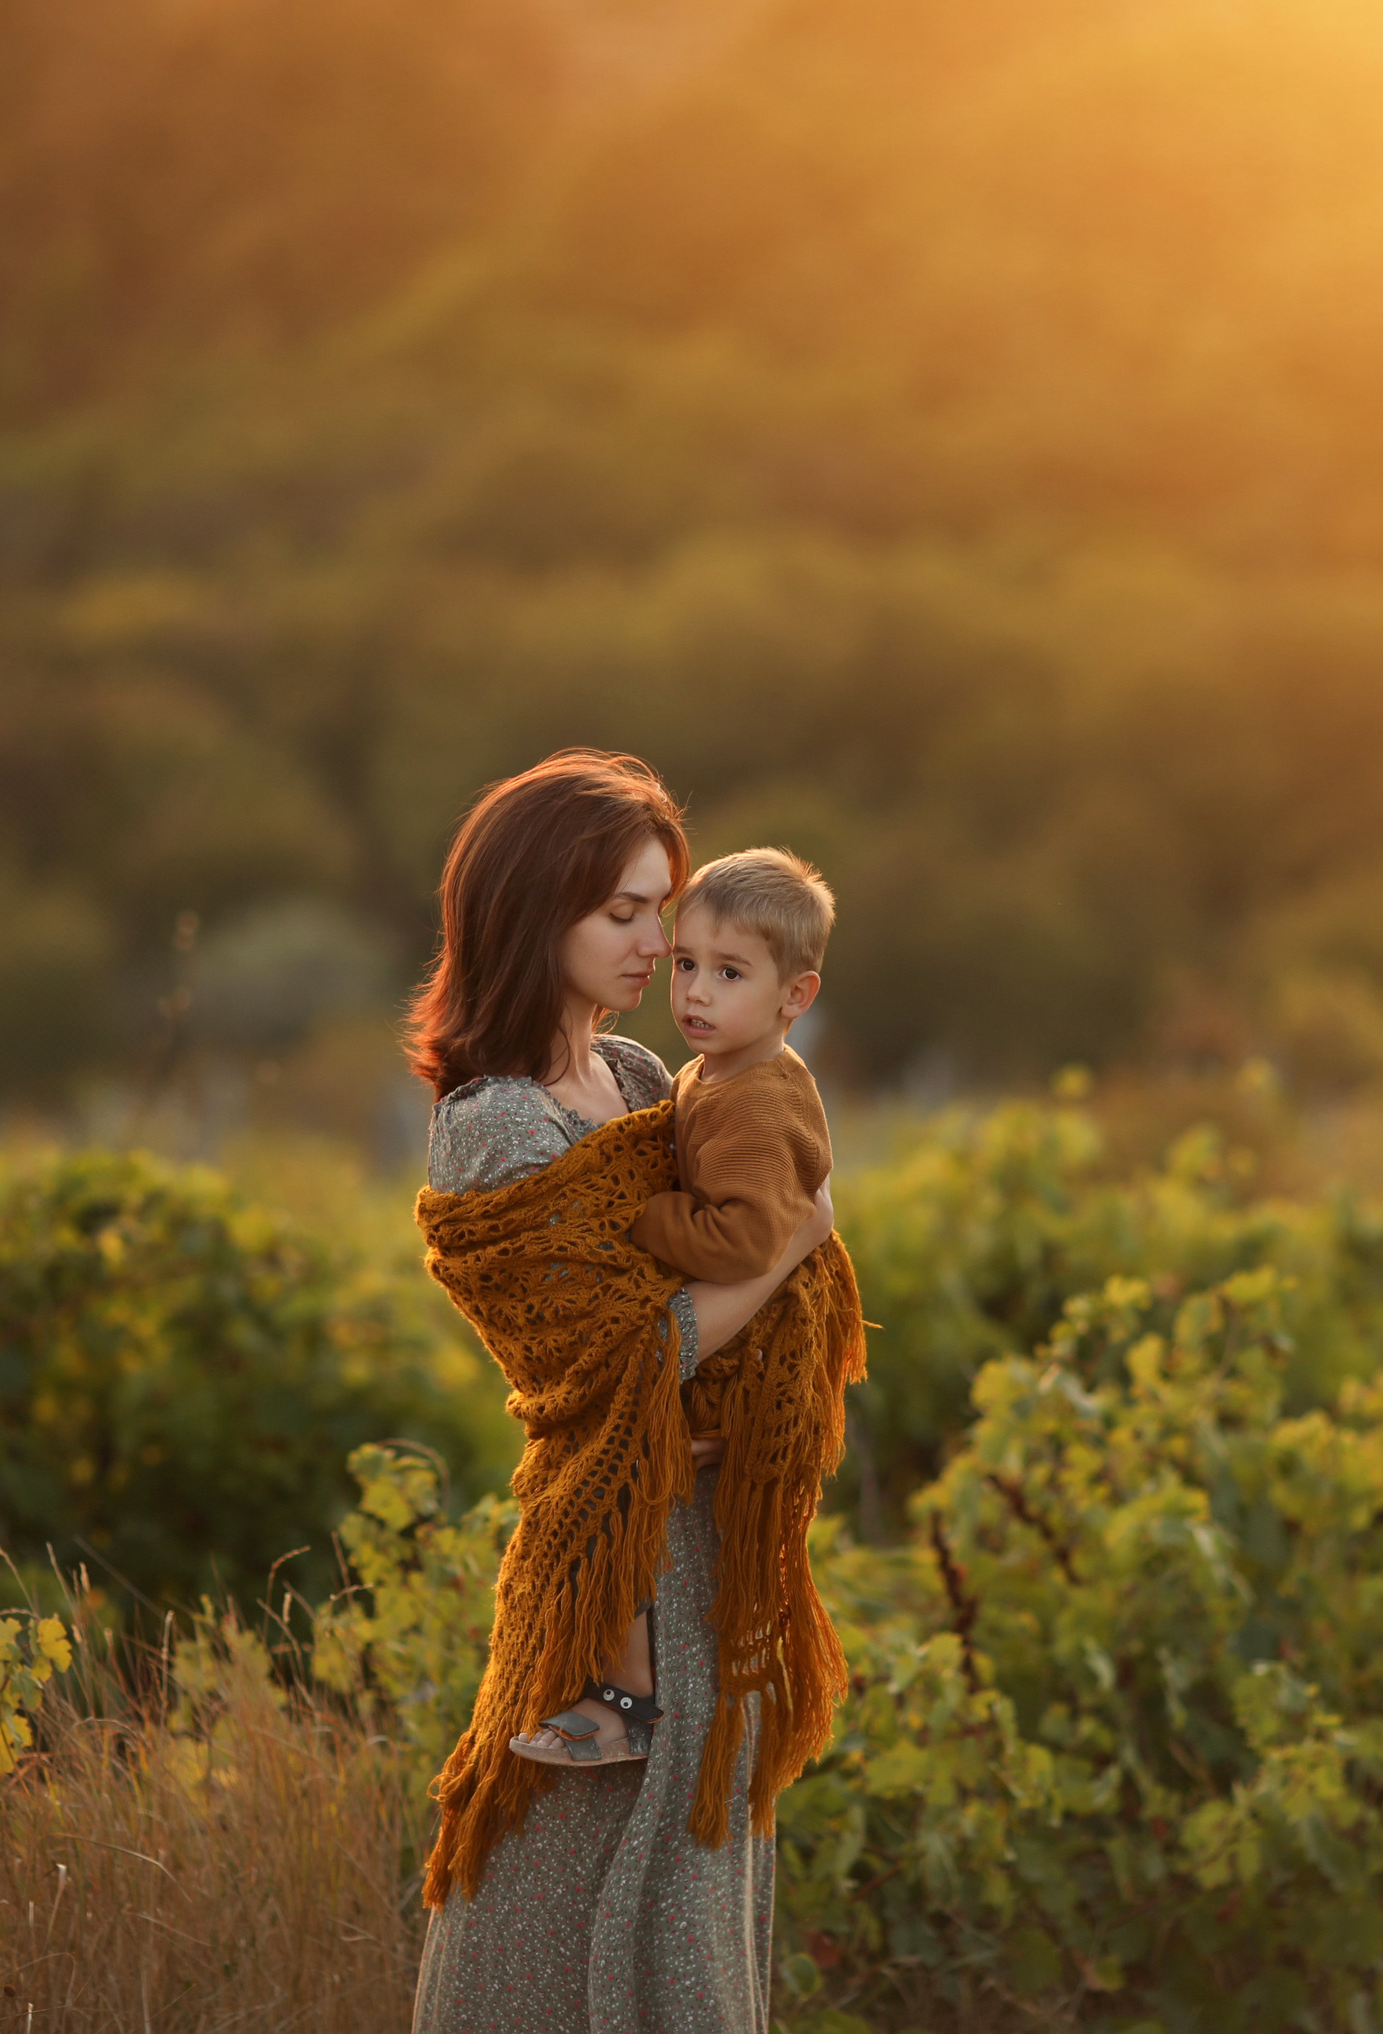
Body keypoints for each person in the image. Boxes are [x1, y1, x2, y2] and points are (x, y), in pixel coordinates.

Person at [403, 752, 865, 2034]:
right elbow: (623, 1360)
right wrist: (790, 1242)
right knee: (549, 1911)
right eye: (623, 914)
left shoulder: (652, 1085)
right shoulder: (497, 1125)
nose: (658, 946)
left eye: (664, 912)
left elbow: (746, 1274)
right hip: (610, 1559)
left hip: (706, 1553)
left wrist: (781, 1261)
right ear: (529, 913)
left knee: (694, 1892)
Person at [512, 847, 840, 1771]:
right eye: (687, 963)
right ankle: (618, 1688)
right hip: (724, 1343)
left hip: (751, 1359)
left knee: (612, 1476)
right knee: (608, 1473)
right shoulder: (707, 1075)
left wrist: (641, 1219)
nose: (693, 991)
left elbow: (743, 1245)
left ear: (794, 995)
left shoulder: (755, 1106)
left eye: (728, 974)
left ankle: (626, 1700)